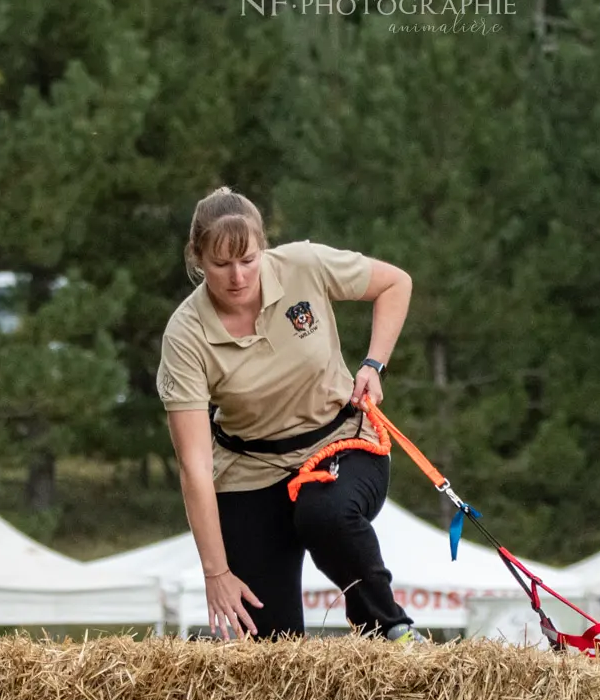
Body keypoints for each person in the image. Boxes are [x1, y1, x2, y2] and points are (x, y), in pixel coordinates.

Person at [155, 186, 420, 641]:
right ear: (197, 259)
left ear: (264, 248)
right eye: (221, 264)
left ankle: (388, 628)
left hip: (341, 442)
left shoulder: (303, 265)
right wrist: (215, 573)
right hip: (250, 471)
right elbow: (195, 467)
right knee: (269, 645)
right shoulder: (184, 335)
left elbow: (396, 283)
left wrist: (374, 364)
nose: (238, 276)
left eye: (248, 260)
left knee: (324, 514)